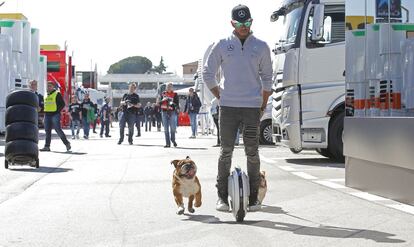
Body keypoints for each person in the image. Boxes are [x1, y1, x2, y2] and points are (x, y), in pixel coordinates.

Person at [202, 5, 273, 212]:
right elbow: (208, 73)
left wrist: (263, 103)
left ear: (252, 22)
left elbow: (267, 78)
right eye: (240, 23)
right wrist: (220, 95)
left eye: (248, 23)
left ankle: (253, 199)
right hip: (228, 107)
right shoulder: (222, 45)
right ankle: (222, 197)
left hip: (252, 107)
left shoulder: (261, 46)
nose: (244, 27)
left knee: (252, 152)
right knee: (226, 152)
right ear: (232, 23)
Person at [40, 82, 71, 152]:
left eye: (50, 86)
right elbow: (45, 105)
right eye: (47, 86)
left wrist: (57, 111)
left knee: (58, 130)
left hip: (55, 114)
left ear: (53, 87)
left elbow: (62, 104)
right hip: (47, 115)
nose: (48, 87)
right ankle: (47, 146)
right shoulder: (45, 95)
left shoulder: (57, 94)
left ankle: (66, 143)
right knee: (47, 131)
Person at [158, 82, 179, 148]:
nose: (169, 88)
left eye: (170, 86)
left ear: (172, 88)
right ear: (166, 87)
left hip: (172, 112)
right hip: (164, 112)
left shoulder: (175, 94)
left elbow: (177, 104)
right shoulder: (163, 94)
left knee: (173, 128)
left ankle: (173, 139)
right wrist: (163, 100)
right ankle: (167, 143)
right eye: (168, 86)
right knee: (166, 129)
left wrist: (172, 102)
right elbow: (158, 103)